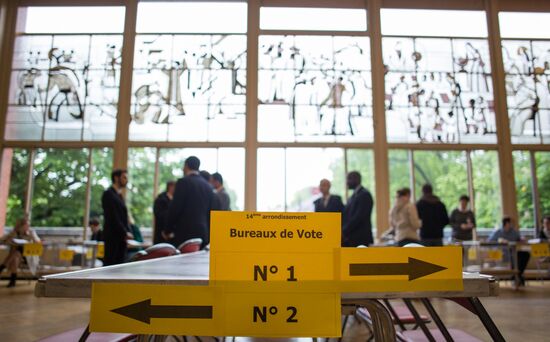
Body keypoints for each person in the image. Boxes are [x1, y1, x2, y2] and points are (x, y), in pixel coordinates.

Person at [165, 156, 215, 249]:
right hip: (203, 232)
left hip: (185, 232)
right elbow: (210, 211)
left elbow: (176, 208)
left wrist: (167, 230)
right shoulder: (207, 186)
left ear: (186, 166)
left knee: (182, 263)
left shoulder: (183, 182)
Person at [102, 169, 132, 266]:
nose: (126, 180)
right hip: (112, 237)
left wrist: (128, 231)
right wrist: (125, 232)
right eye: (124, 177)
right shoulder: (108, 194)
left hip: (120, 238)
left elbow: (123, 216)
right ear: (116, 178)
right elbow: (113, 217)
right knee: (111, 265)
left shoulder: (119, 195)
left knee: (120, 265)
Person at [488, 217, 530, 286]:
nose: (512, 224)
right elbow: (489, 242)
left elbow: (519, 238)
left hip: (513, 253)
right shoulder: (498, 232)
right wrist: (499, 243)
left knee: (526, 255)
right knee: (516, 259)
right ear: (507, 223)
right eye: (511, 223)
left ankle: (516, 275)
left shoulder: (513, 231)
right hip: (502, 254)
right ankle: (517, 277)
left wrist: (522, 239)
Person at [0, 218, 40, 287]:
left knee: (15, 251)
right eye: (25, 226)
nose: (27, 227)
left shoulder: (31, 232)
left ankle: (2, 268)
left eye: (28, 225)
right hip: (18, 256)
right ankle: (12, 280)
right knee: (15, 256)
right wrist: (11, 236)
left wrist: (30, 237)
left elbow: (38, 242)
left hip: (28, 256)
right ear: (20, 226)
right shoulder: (14, 232)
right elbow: (3, 240)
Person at [342, 171, 374, 247]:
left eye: (349, 179)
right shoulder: (353, 196)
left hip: (360, 239)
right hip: (352, 238)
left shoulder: (364, 195)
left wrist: (343, 230)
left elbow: (358, 217)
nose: (347, 182)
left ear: (356, 179)